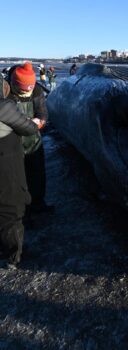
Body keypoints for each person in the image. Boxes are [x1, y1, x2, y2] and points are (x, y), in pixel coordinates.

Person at [0, 75, 39, 267]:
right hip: (6, 161)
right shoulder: (4, 107)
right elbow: (29, 129)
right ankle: (14, 255)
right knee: (11, 207)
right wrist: (35, 122)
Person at [7, 62, 53, 214]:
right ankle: (21, 210)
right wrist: (26, 125)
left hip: (33, 142)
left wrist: (40, 122)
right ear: (14, 84)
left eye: (30, 90)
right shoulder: (6, 92)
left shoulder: (38, 90)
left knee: (37, 175)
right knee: (16, 180)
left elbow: (43, 113)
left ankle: (38, 203)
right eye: (22, 90)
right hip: (12, 144)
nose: (27, 93)